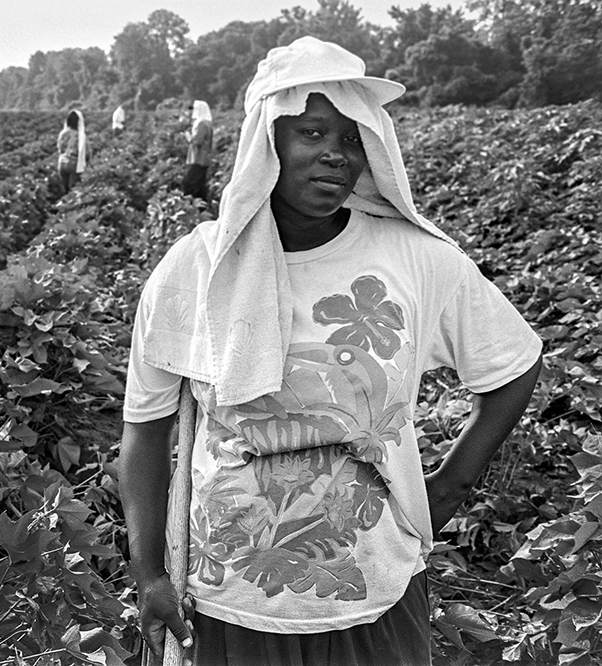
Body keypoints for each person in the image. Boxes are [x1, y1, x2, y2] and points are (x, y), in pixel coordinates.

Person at [119, 36, 543, 666]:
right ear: (268, 144)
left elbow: (514, 362)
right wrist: (151, 572)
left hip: (375, 583)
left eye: (350, 139)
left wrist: (452, 483)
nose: (334, 156)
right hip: (230, 594)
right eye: (312, 133)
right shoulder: (195, 269)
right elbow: (147, 429)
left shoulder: (415, 259)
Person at [182, 100, 213, 202]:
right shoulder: (207, 123)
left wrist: (188, 136)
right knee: (200, 185)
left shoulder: (201, 124)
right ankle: (201, 209)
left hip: (198, 159)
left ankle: (190, 206)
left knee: (188, 183)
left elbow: (197, 142)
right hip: (204, 158)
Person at [57, 109, 89, 194]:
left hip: (62, 163)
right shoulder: (80, 135)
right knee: (73, 191)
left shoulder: (62, 133)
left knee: (65, 189)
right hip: (73, 164)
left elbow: (59, 148)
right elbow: (87, 153)